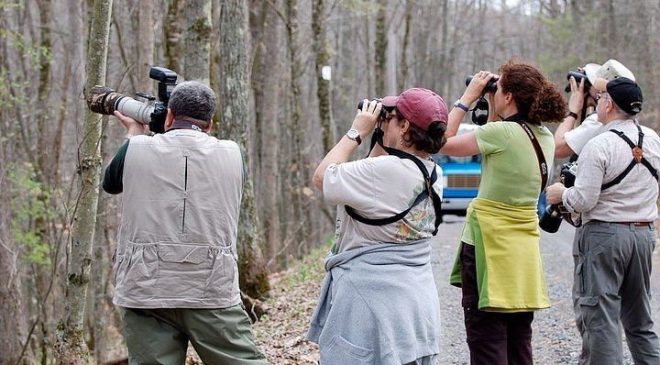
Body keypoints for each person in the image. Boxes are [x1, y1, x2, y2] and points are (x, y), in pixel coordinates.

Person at [102, 81, 268, 365]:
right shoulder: (232, 153)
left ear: (168, 116)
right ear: (211, 123)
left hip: (146, 289)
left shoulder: (136, 149)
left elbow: (111, 183)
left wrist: (134, 133)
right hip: (211, 288)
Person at [307, 88, 448, 365]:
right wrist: (384, 134)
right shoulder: (433, 171)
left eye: (392, 117)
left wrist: (356, 132)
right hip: (415, 305)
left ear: (405, 125)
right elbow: (371, 179)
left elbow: (323, 177)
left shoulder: (385, 172)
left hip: (369, 305)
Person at [444, 61, 566, 364]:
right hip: (522, 256)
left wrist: (467, 98)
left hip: (488, 249)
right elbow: (508, 132)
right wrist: (493, 101)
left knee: (487, 340)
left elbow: (442, 142)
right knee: (518, 342)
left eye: (498, 90)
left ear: (509, 96)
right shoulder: (545, 137)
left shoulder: (500, 134)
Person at [546, 77, 660, 364]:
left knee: (601, 320)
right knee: (641, 321)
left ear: (609, 104)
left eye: (600, 97)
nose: (597, 101)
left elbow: (583, 200)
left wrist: (561, 194)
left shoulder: (599, 144)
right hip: (644, 236)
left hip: (603, 236)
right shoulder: (655, 140)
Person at [554, 59, 635, 159]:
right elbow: (578, 136)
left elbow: (558, 149)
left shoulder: (598, 122)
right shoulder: (629, 121)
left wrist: (573, 111)